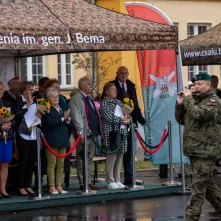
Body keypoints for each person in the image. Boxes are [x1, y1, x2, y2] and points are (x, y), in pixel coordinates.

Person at [175, 72, 221, 221]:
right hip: (194, 149)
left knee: (197, 188)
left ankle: (191, 217)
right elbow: (181, 119)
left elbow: (200, 115)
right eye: (194, 84)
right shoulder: (193, 101)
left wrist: (188, 99)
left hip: (206, 150)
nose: (195, 87)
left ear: (209, 86)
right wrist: (180, 103)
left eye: (199, 84)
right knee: (205, 184)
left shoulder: (214, 101)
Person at [108, 66, 146, 187]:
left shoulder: (130, 85)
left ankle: (129, 177)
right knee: (119, 151)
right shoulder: (112, 85)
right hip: (118, 123)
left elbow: (135, 103)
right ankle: (114, 178)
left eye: (126, 73)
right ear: (117, 74)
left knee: (129, 150)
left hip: (130, 122)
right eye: (121, 73)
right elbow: (115, 103)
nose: (124, 75)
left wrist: (140, 119)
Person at [69, 76, 100, 191]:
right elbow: (76, 116)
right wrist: (81, 132)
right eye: (88, 84)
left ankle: (89, 180)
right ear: (81, 86)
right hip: (83, 134)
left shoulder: (88, 98)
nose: (90, 85)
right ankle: (83, 182)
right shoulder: (76, 98)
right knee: (82, 158)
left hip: (92, 132)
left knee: (89, 158)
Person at [100, 83, 131, 189]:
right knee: (111, 156)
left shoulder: (119, 102)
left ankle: (117, 179)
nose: (115, 91)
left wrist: (128, 119)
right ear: (106, 91)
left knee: (119, 156)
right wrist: (124, 121)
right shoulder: (104, 103)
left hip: (121, 131)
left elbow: (128, 113)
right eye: (112, 90)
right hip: (111, 132)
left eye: (115, 90)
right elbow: (109, 118)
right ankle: (110, 180)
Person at [41, 88, 70, 194]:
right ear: (48, 98)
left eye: (57, 96)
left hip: (62, 138)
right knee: (52, 164)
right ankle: (51, 186)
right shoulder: (46, 108)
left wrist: (68, 119)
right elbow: (49, 122)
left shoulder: (61, 108)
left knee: (60, 164)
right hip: (51, 139)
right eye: (52, 96)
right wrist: (63, 119)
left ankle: (59, 185)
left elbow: (67, 120)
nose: (55, 98)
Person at [14, 81, 37, 196]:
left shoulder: (35, 100)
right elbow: (18, 115)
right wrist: (27, 104)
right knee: (23, 160)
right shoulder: (18, 101)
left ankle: (28, 184)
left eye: (33, 89)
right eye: (30, 90)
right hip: (22, 134)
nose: (32, 92)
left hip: (33, 133)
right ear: (24, 91)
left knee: (31, 160)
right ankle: (20, 185)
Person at [0, 82, 15, 198]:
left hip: (6, 138)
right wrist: (1, 127)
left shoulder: (6, 103)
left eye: (2, 89)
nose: (1, 91)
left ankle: (3, 189)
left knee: (5, 164)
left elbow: (14, 120)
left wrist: (9, 123)